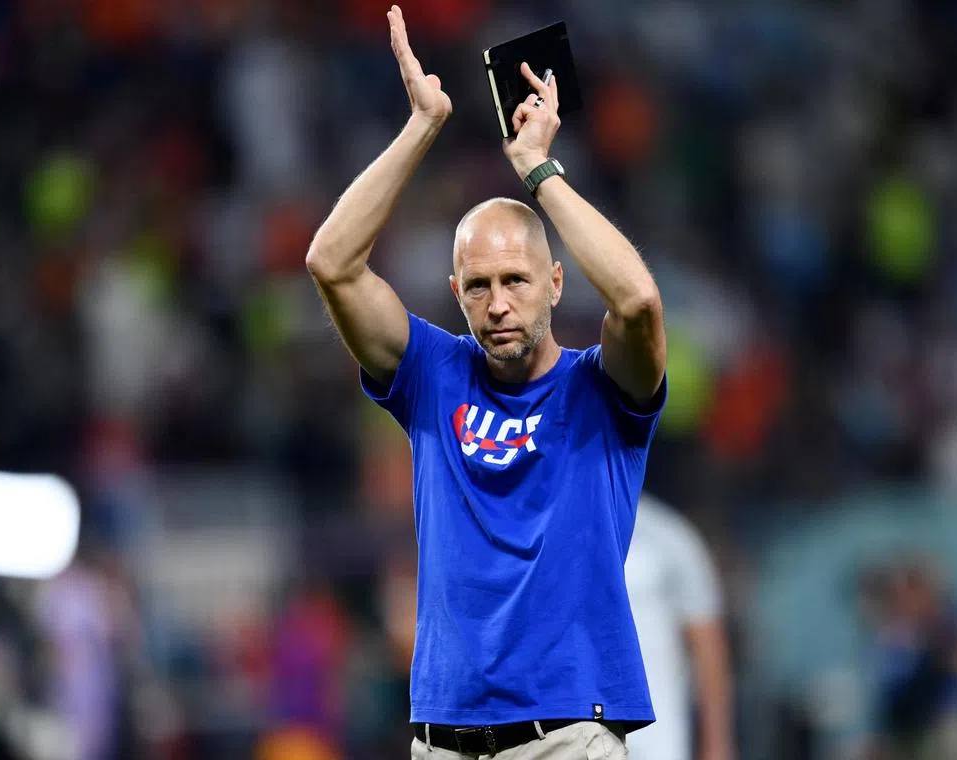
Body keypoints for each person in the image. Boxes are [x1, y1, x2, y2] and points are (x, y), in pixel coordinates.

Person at [305, 6, 668, 759]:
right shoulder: (432, 375)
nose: (497, 303)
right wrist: (422, 127)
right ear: (455, 291)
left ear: (556, 282)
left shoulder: (604, 392)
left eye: (515, 280)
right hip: (444, 739)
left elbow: (637, 301)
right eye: (477, 285)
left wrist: (539, 172)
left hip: (567, 734)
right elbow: (331, 263)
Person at [623, 494, 734, 760]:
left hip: (657, 735)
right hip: (575, 727)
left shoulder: (666, 533)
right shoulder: (546, 523)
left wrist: (717, 743)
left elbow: (707, 641)